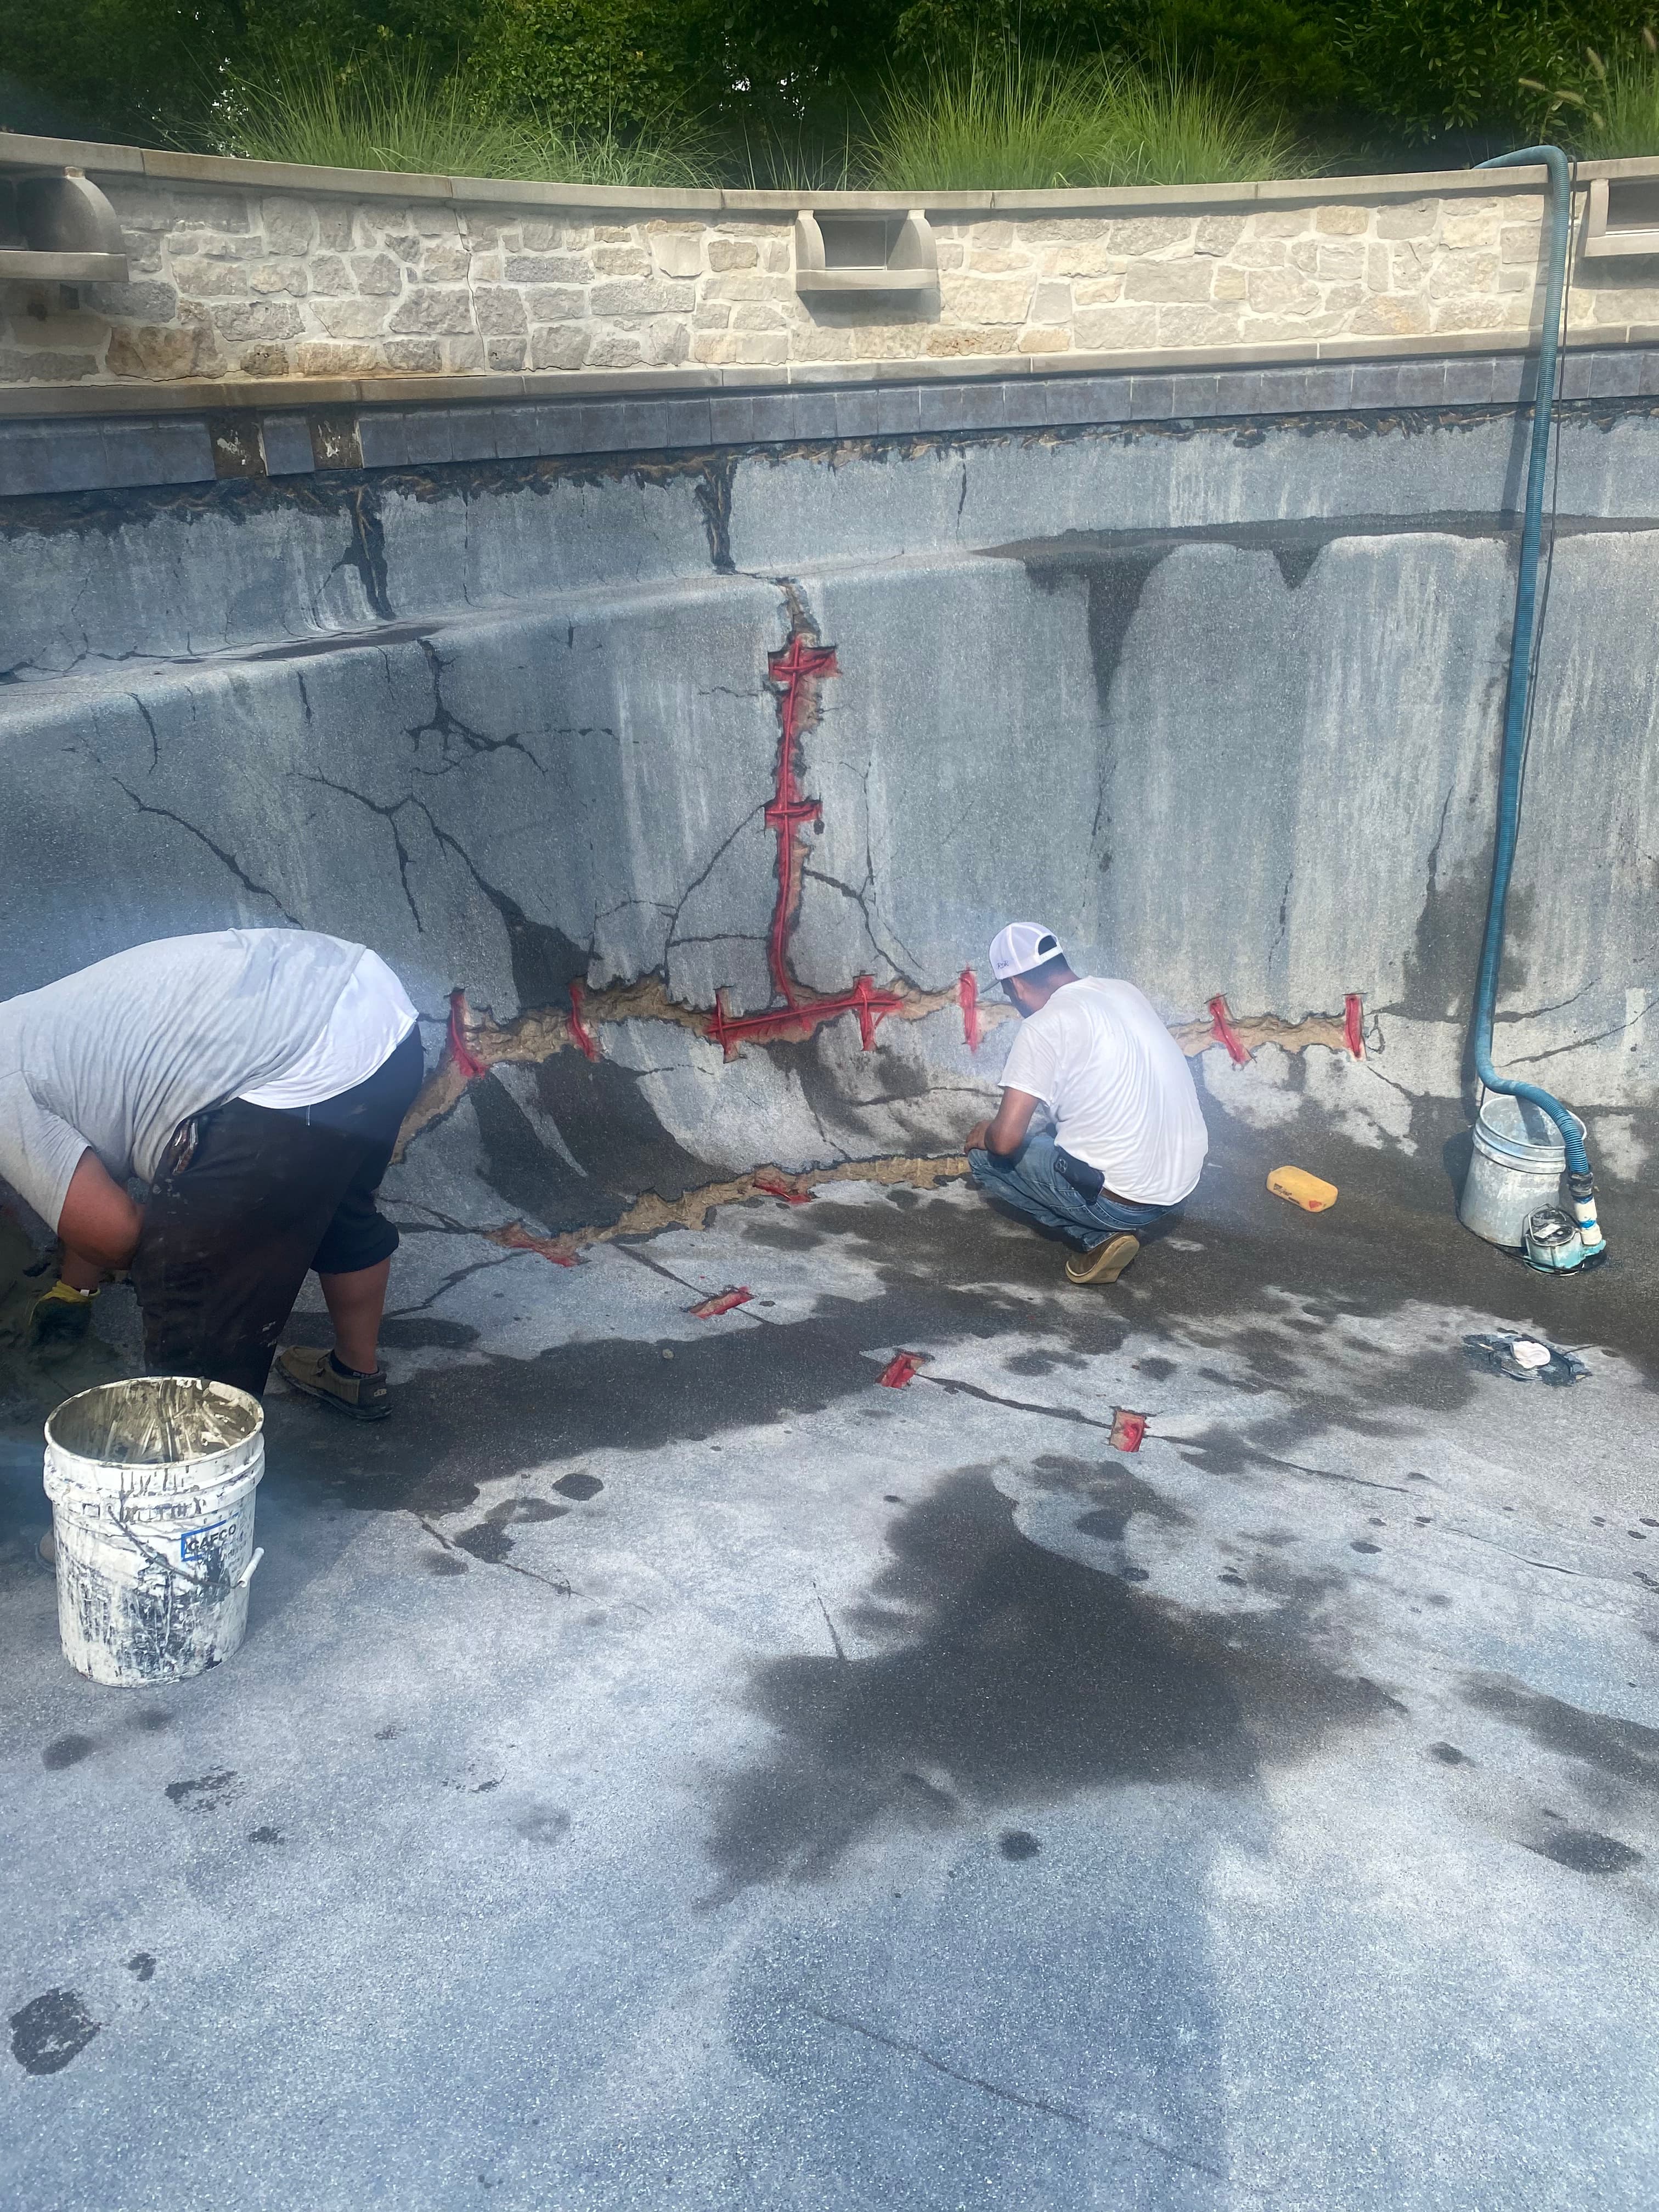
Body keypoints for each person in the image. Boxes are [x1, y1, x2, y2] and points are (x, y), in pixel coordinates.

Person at [0, 929, 424, 1420]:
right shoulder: (22, 1029)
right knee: (334, 1202)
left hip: (295, 1068)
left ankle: (196, 1467)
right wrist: (77, 1289)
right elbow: (83, 1169)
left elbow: (115, 1235)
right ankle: (355, 1375)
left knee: (182, 1273)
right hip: (373, 1012)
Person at [964, 923, 1207, 1286]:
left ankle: (1097, 1237)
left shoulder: (1044, 1026)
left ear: (1015, 985)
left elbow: (1006, 1141)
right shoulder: (1125, 991)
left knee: (986, 1158)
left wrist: (985, 1133)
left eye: (1007, 992)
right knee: (1050, 1132)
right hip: (1181, 1185)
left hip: (1123, 1202)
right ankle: (1112, 1214)